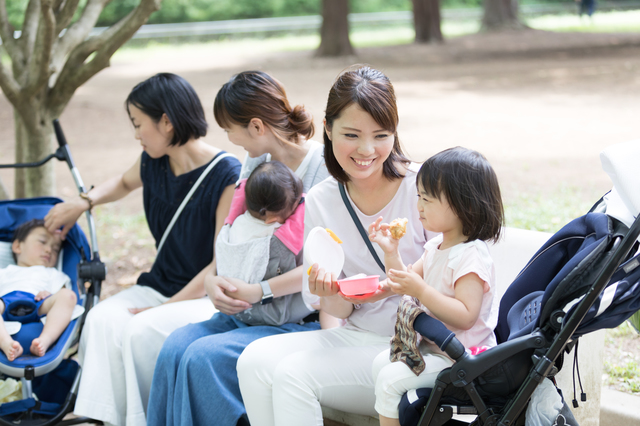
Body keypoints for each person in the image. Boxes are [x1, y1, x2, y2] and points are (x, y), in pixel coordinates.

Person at [236, 65, 431, 425]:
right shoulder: (324, 198)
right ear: (327, 128)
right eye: (352, 135)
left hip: (416, 347)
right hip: (358, 337)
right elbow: (339, 312)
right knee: (253, 361)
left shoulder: (424, 188)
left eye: (381, 135)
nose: (367, 150)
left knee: (293, 375)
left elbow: (456, 270)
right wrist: (326, 291)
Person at [43, 73, 241, 426]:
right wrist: (82, 203)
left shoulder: (226, 174)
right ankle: (99, 419)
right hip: (157, 285)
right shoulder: (153, 160)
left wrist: (167, 306)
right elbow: (121, 183)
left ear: (166, 121)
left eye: (138, 124)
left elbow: (219, 263)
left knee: (138, 332)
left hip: (200, 297)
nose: (135, 134)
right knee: (101, 319)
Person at [147, 70, 330, 426]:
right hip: (246, 312)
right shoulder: (256, 162)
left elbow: (324, 264)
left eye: (230, 129)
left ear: (257, 127)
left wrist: (258, 291)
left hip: (296, 319)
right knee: (174, 347)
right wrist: (215, 280)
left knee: (202, 357)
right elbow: (235, 235)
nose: (230, 139)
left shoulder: (324, 171)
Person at [368, 147, 504, 426]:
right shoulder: (436, 246)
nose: (419, 206)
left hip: (463, 358)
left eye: (427, 199)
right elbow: (403, 281)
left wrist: (422, 291)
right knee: (380, 364)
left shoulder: (471, 256)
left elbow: (466, 316)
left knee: (389, 380)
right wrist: (390, 251)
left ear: (463, 205)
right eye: (419, 196)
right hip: (436, 348)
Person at [0, 219, 76, 360]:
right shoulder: (4, 272)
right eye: (42, 242)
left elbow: (63, 297)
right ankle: (6, 342)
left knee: (68, 296)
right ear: (17, 246)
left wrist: (51, 295)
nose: (49, 250)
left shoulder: (52, 273)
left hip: (38, 303)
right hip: (5, 303)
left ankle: (44, 340)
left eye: (55, 249)